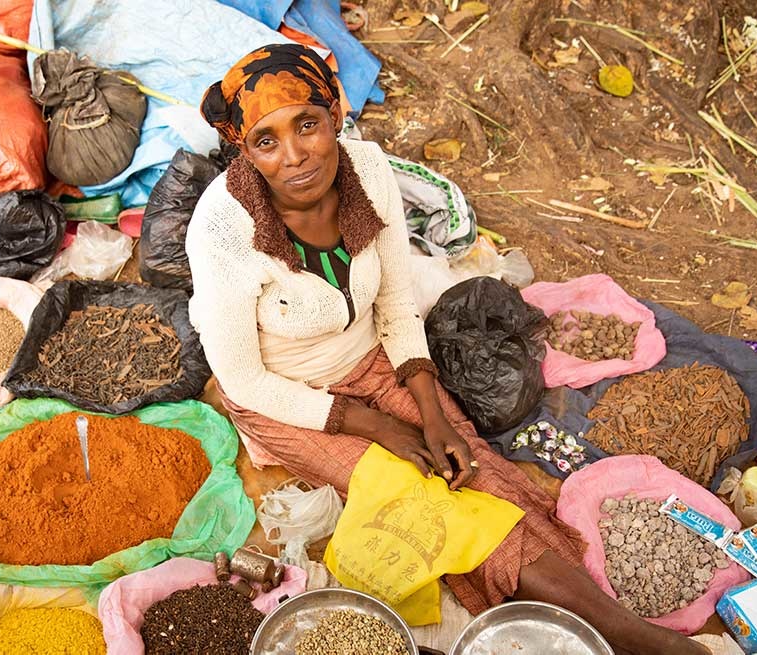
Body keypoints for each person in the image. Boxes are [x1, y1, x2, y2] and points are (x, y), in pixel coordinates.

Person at [186, 43, 707, 655]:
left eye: (308, 125)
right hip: (282, 398)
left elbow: (397, 309)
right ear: (243, 148)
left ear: (335, 114)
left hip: (374, 361)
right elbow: (244, 382)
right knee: (418, 500)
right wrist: (379, 426)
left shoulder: (367, 170)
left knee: (474, 467)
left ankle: (578, 613)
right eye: (266, 140)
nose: (296, 155)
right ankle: (638, 639)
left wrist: (432, 415)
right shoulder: (222, 229)